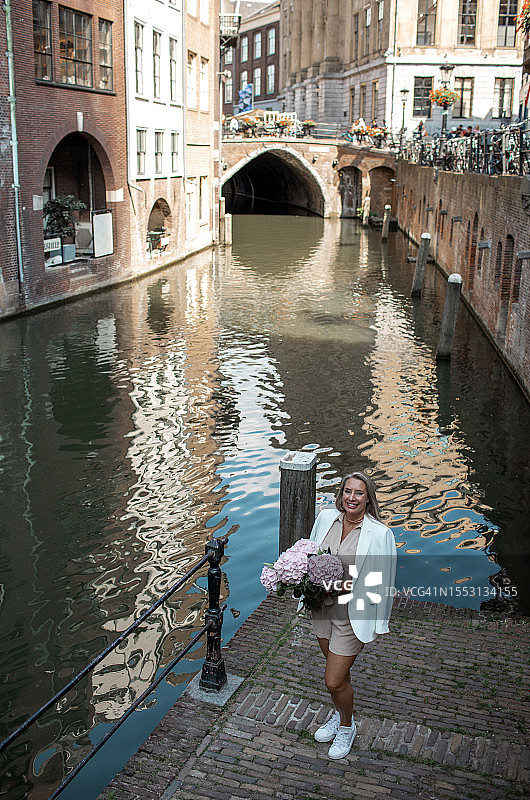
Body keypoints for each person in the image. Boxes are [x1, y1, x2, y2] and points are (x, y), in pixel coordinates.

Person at [306, 471, 397, 759]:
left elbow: (384, 582)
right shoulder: (325, 518)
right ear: (341, 494)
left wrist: (378, 622)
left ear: (368, 498)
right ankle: (340, 712)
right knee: (341, 677)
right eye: (347, 491)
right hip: (321, 607)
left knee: (333, 680)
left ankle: (346, 726)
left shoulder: (380, 534)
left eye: (359, 493)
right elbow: (309, 555)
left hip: (351, 615)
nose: (352, 498)